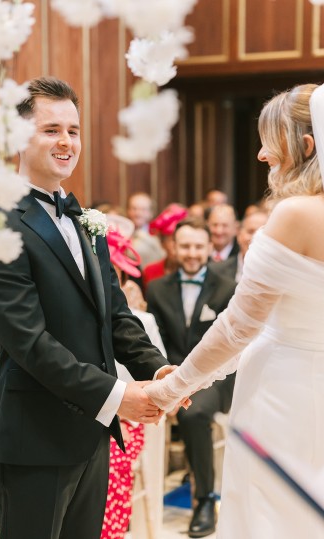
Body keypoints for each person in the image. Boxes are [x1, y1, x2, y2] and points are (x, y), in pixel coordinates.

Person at [0, 76, 171, 539]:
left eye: (73, 130)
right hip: (35, 438)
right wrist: (120, 397)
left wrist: (158, 371)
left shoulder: (83, 219)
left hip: (91, 435)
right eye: (51, 129)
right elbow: (30, 343)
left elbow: (114, 312)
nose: (66, 142)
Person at [145, 83, 324, 538]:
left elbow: (238, 329)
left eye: (271, 140)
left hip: (284, 397)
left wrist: (174, 388)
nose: (262, 155)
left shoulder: (295, 215)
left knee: (273, 518)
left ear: (305, 146)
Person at [146, 218, 236, 538]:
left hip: (219, 375)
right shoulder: (157, 288)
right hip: (175, 369)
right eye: (185, 246)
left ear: (210, 247)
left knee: (194, 411)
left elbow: (230, 344)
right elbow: (158, 340)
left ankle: (204, 500)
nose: (192, 252)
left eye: (199, 246)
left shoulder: (227, 286)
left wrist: (193, 380)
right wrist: (171, 377)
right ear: (173, 247)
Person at [101, 221, 166, 539]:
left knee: (113, 461)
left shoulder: (142, 321)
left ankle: (112, 529)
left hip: (132, 416)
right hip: (94, 406)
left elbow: (150, 361)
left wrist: (164, 382)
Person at [142, 203, 188, 290]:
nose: (177, 246)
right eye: (172, 239)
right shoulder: (150, 272)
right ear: (162, 243)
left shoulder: (196, 272)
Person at [215, 210, 269, 282]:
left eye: (262, 233)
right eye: (250, 232)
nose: (255, 237)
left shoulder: (276, 274)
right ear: (239, 235)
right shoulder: (217, 271)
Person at [126, 192, 165, 268]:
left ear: (151, 213)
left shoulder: (158, 235)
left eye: (143, 209)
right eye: (134, 209)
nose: (138, 213)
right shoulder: (123, 233)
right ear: (128, 211)